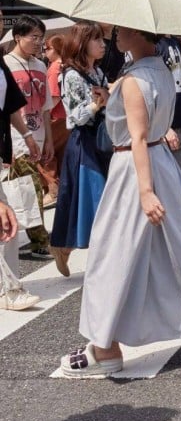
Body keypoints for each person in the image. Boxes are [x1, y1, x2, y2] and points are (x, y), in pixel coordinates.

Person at [60, 26, 181, 379]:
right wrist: (110, 96)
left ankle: (105, 349)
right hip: (158, 163)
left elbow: (135, 136)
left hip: (134, 171)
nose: (114, 36)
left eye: (120, 31)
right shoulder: (161, 71)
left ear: (136, 32)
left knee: (111, 254)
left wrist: (145, 191)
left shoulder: (135, 78)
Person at [50, 22, 110, 278]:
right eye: (97, 40)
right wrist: (97, 106)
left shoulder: (98, 72)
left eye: (102, 39)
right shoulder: (72, 75)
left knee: (95, 201)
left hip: (102, 142)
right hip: (84, 143)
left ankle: (66, 246)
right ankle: (72, 249)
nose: (103, 44)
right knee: (93, 200)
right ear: (82, 43)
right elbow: (74, 118)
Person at [4, 15, 54, 259]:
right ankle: (39, 240)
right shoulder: (7, 64)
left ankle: (23, 235)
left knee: (22, 189)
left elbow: (46, 108)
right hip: (16, 136)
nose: (38, 42)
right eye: (33, 37)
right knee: (31, 187)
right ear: (17, 37)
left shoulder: (41, 66)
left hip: (39, 134)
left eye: (40, 38)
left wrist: (50, 140)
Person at [156, 34, 181, 205]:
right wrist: (164, 127)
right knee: (166, 192)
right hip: (162, 130)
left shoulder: (174, 43)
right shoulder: (154, 45)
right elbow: (152, 89)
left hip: (180, 125)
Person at [41, 35, 69, 208]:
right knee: (61, 152)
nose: (45, 51)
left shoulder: (53, 69)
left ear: (57, 49)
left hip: (55, 116)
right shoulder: (66, 66)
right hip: (66, 117)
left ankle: (53, 188)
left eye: (48, 48)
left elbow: (53, 96)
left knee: (46, 153)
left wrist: (45, 114)